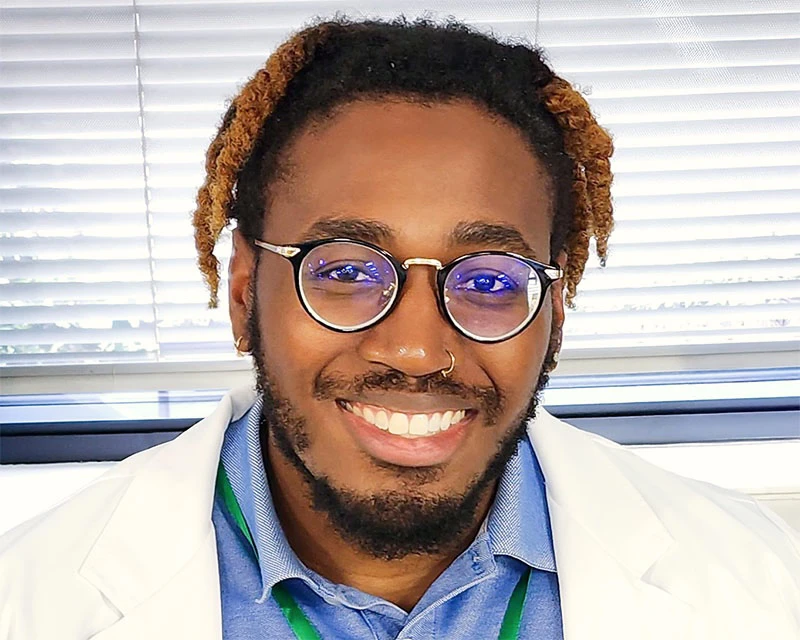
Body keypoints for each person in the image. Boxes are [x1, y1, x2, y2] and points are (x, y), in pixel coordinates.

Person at [1, 17, 798, 640]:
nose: (418, 349)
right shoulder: (31, 596)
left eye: (489, 280)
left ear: (555, 312)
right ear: (245, 292)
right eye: (345, 272)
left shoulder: (759, 582)